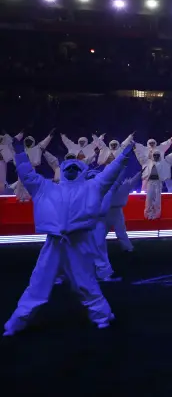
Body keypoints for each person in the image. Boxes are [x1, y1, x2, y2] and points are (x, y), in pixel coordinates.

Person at [4, 138, 134, 336]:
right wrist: (20, 152)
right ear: (63, 171)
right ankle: (15, 323)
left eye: (75, 168)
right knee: (38, 284)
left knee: (86, 282)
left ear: (81, 171)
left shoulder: (92, 186)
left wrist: (124, 155)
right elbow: (27, 174)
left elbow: (110, 172)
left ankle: (102, 317)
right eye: (69, 168)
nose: (71, 170)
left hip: (78, 243)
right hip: (54, 244)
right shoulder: (46, 187)